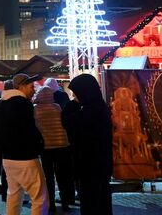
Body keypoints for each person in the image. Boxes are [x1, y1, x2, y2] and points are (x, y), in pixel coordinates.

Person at [0, 74, 48, 215]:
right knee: (40, 198)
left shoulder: (1, 104)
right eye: (31, 86)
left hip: (8, 159)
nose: (34, 90)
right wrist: (39, 144)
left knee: (13, 194)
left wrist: (4, 142)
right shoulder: (24, 104)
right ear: (20, 86)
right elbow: (30, 130)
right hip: (27, 158)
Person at [63, 74, 113, 215]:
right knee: (100, 201)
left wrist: (70, 107)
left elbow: (70, 127)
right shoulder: (97, 108)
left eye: (75, 93)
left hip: (91, 167)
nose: (74, 97)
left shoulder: (90, 112)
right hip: (98, 166)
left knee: (92, 203)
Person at [33, 85, 75, 212]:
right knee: (62, 175)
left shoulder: (35, 109)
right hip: (62, 145)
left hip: (46, 147)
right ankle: (65, 203)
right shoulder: (57, 107)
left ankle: (51, 204)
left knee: (48, 177)